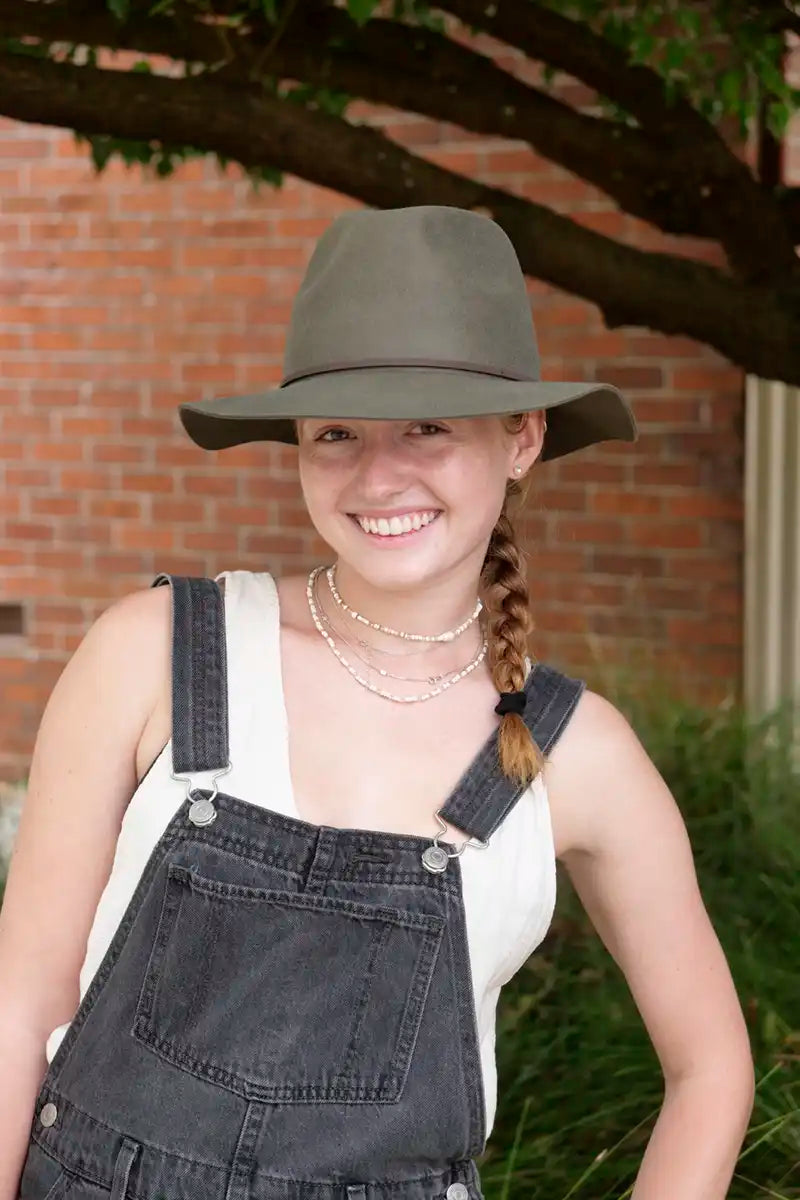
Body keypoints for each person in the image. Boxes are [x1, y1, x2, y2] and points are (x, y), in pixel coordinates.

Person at [0, 206, 753, 1200]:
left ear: (522, 437)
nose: (377, 475)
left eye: (428, 427)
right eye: (337, 433)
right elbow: (21, 1000)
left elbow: (710, 1070)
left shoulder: (567, 755)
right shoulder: (154, 656)